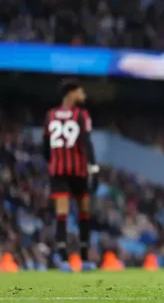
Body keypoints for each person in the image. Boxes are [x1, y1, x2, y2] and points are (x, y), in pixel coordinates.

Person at [42, 79, 100, 272]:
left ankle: (64, 260)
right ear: (70, 94)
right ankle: (84, 260)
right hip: (78, 172)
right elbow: (87, 143)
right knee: (84, 213)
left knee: (62, 215)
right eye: (80, 92)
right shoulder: (81, 115)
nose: (83, 95)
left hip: (58, 172)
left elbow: (45, 146)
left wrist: (52, 163)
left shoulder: (50, 115)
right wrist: (94, 168)